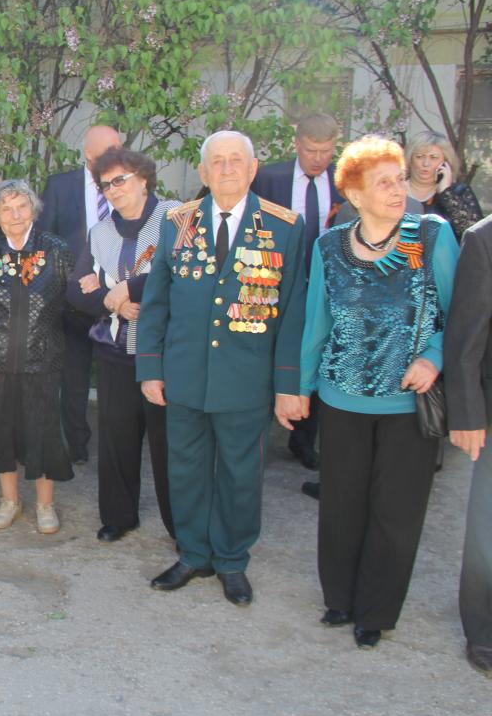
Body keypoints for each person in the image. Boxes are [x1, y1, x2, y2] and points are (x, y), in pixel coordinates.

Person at [136, 130, 307, 607]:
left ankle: (232, 559)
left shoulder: (285, 227)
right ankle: (193, 553)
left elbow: (293, 311)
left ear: (253, 170)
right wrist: (150, 368)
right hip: (185, 374)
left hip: (245, 379)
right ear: (204, 171)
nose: (227, 169)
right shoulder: (178, 222)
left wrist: (288, 385)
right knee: (185, 469)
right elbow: (156, 302)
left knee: (239, 472)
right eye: (218, 162)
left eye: (237, 161)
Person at [301, 135, 457, 648]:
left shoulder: (427, 237)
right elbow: (316, 323)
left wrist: (434, 357)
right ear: (355, 195)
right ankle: (340, 599)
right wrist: (298, 389)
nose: (397, 190)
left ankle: (375, 611)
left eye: (398, 179)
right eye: (383, 183)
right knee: (341, 505)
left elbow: (462, 318)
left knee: (396, 511)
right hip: (342, 399)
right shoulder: (330, 247)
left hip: (406, 405)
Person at [67, 148, 179, 542]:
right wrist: (110, 301)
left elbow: (181, 272)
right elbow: (76, 289)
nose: (112, 190)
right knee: (117, 441)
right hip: (115, 352)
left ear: (143, 178)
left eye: (120, 180)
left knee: (170, 447)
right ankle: (119, 516)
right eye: (105, 184)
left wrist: (123, 288)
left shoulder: (175, 218)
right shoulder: (100, 232)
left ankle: (180, 527)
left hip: (166, 354)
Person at [0, 180, 74, 533]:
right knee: (1, 432)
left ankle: (44, 504)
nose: (15, 215)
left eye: (21, 206)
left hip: (43, 360)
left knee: (42, 432)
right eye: (6, 209)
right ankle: (10, 500)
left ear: (33, 210)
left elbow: (74, 304)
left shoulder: (56, 249)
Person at [251, 113, 347, 486]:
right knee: (265, 357)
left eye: (326, 151)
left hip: (324, 290)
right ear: (297, 145)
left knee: (314, 360)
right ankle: (255, 438)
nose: (318, 158)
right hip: (271, 286)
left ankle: (303, 441)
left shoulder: (343, 182)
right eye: (311, 150)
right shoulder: (269, 178)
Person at [39, 125, 124, 464]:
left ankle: (118, 442)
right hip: (72, 301)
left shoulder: (127, 185)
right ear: (89, 156)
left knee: (116, 379)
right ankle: (76, 442)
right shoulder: (60, 186)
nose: (116, 156)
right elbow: (46, 240)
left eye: (119, 148)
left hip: (118, 298)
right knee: (73, 377)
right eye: (108, 151)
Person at [445, 213, 492, 676]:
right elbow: (466, 337)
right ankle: (484, 629)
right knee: (488, 528)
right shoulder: (485, 239)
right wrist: (469, 413)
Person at [405, 131, 484, 240]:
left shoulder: (459, 192)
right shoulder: (395, 190)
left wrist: (446, 193)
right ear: (410, 160)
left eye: (434, 157)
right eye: (419, 156)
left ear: (445, 162)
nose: (426, 163)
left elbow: (476, 235)